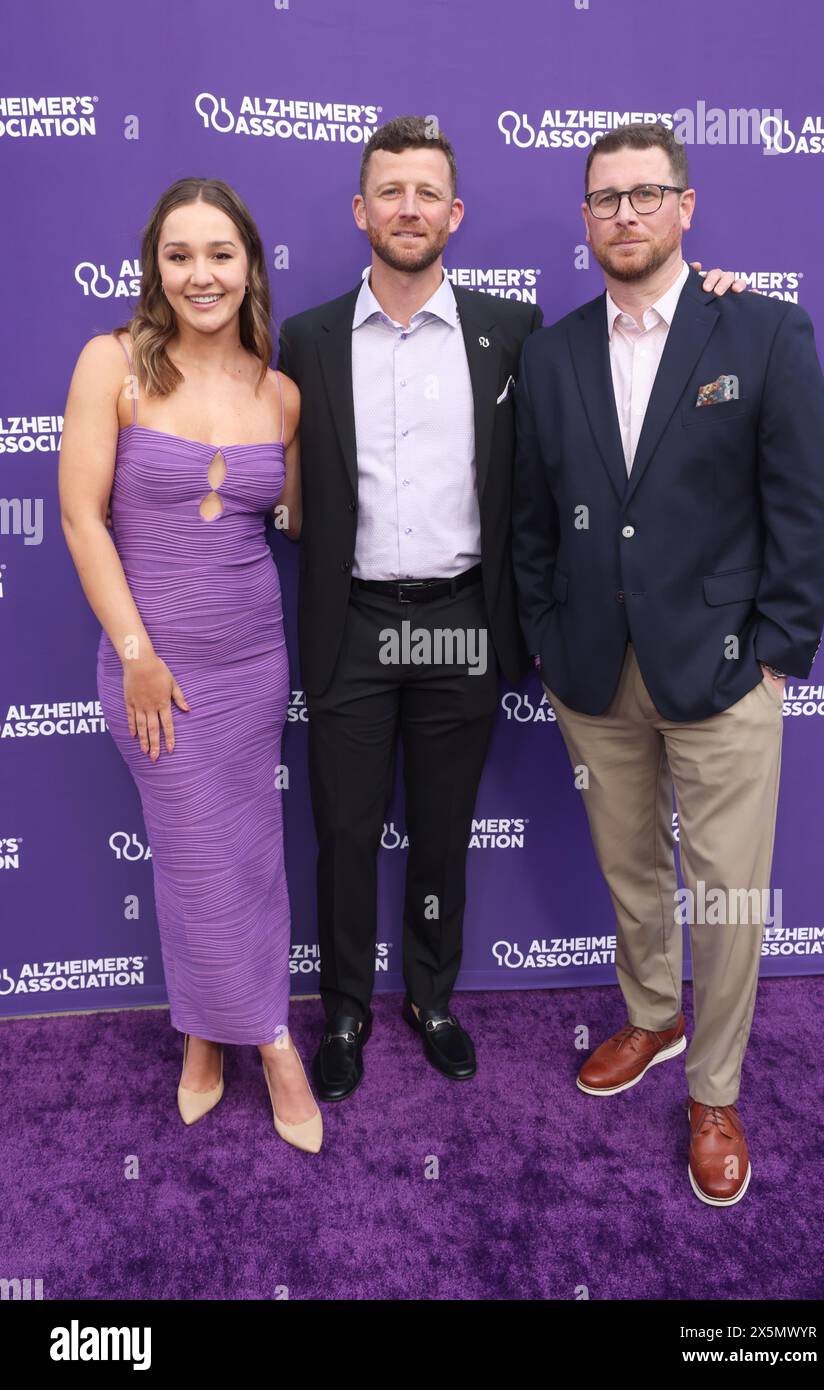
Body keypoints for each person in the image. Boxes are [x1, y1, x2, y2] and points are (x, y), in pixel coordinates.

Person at [278, 115, 743, 1103]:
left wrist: (719, 297)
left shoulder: (513, 334)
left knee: (443, 826)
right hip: (354, 620)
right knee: (346, 830)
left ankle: (432, 1000)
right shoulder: (308, 337)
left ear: (456, 213)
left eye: (427, 193)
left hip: (461, 621)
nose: (409, 209)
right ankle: (349, 1007)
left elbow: (612, 377)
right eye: (389, 191)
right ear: (362, 210)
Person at [512, 122, 824, 1205]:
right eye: (605, 199)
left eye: (646, 194)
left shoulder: (764, 331)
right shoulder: (552, 353)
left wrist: (778, 657)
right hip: (595, 673)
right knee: (631, 869)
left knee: (730, 893)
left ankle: (714, 1089)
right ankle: (652, 1017)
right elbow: (532, 522)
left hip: (726, 670)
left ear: (686, 207)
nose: (625, 215)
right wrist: (550, 642)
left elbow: (802, 511)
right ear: (586, 217)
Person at [58, 177, 320, 1153]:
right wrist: (137, 655)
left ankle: (206, 1036)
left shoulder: (279, 391)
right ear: (155, 268)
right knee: (198, 857)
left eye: (219, 254)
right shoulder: (111, 365)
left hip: (255, 662)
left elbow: (295, 520)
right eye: (180, 255)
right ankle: (272, 1038)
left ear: (249, 263)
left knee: (244, 859)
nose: (200, 274)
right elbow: (82, 518)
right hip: (150, 669)